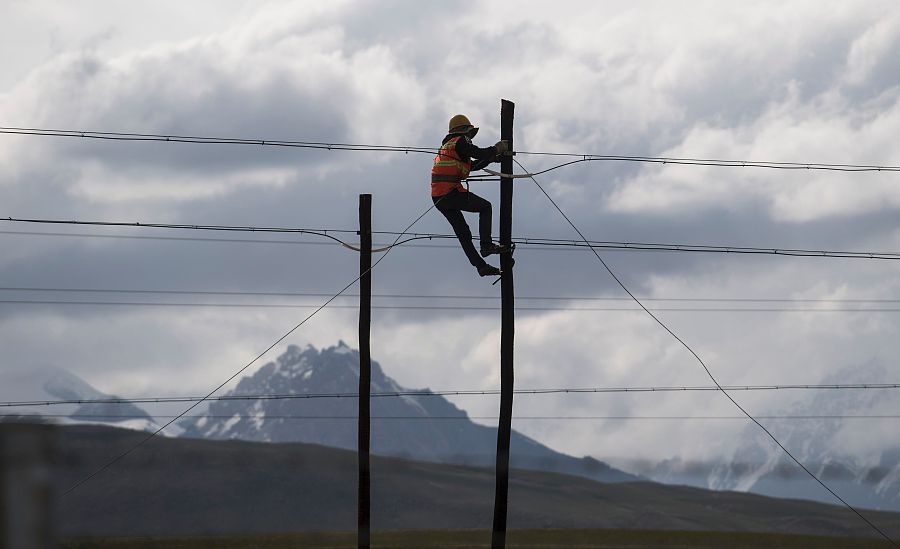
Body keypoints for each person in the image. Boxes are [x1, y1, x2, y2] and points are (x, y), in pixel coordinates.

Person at [431, 114, 509, 277]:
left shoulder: (448, 146)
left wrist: (492, 158)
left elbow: (472, 166)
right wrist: (496, 149)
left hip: (439, 197)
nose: (470, 138)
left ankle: (481, 266)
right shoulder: (461, 141)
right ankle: (486, 246)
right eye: (470, 134)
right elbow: (478, 153)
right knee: (485, 207)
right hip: (450, 193)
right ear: (464, 131)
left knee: (463, 233)